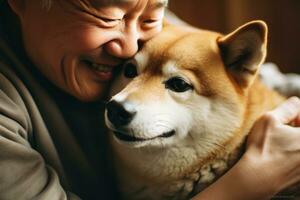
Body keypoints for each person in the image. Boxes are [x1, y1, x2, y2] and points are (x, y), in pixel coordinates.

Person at [0, 0, 299, 199]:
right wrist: (248, 182)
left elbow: (254, 77)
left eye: (150, 17)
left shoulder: (138, 8)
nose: (132, 46)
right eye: (108, 19)